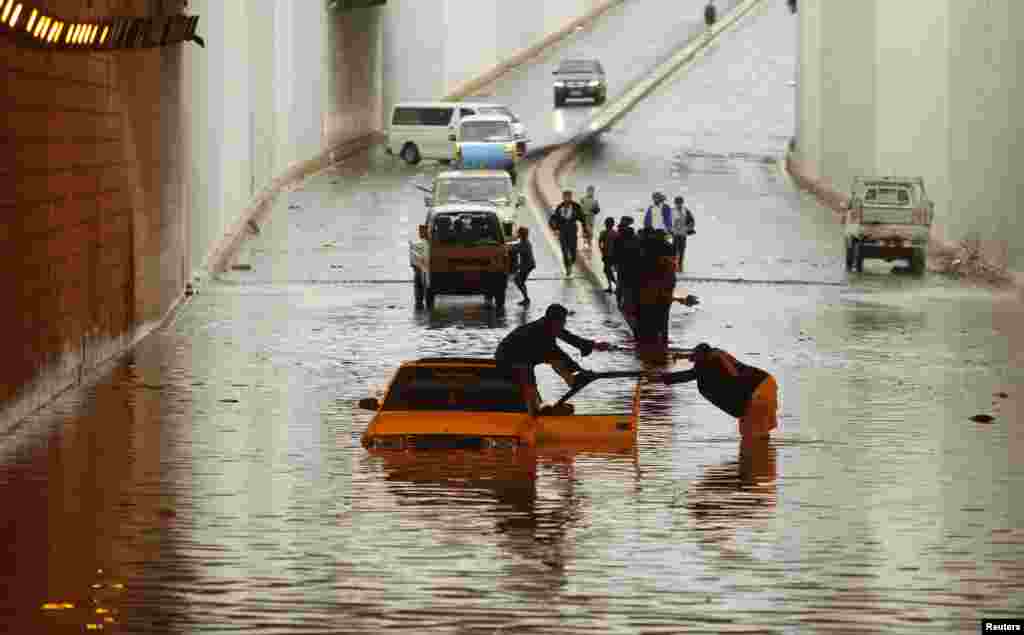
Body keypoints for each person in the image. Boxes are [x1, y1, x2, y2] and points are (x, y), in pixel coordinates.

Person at [495, 304, 611, 415]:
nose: (564, 324)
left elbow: (571, 339)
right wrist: (580, 370)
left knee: (555, 360)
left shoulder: (550, 325)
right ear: (555, 321)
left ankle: (573, 380)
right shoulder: (540, 333)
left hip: (525, 356)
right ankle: (534, 412)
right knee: (530, 372)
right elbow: (559, 353)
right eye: (563, 321)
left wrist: (594, 345)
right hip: (508, 358)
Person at [660, 343, 779, 440]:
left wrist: (656, 377)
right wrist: (681, 356)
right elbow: (693, 358)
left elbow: (687, 375)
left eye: (696, 360)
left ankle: (756, 464)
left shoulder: (709, 365)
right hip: (766, 383)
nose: (695, 364)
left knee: (751, 435)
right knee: (758, 432)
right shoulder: (717, 354)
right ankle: (762, 460)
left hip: (757, 391)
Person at [550, 190, 584, 276]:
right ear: (563, 197)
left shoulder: (576, 207)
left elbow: (582, 218)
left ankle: (571, 263)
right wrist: (555, 228)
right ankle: (568, 268)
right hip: (562, 232)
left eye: (568, 197)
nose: (566, 199)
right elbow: (553, 219)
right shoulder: (559, 207)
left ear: (571, 197)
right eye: (565, 197)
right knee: (564, 251)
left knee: (573, 252)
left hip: (572, 231)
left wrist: (586, 230)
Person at [510, 226, 536, 306]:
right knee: (520, 281)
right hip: (527, 265)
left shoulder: (525, 243)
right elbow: (516, 246)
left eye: (519, 233)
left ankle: (526, 299)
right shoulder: (524, 242)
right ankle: (526, 298)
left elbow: (516, 249)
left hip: (527, 265)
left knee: (518, 280)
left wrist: (509, 248)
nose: (518, 234)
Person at [671, 195, 696, 271]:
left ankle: (680, 265)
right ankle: (674, 266)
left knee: (681, 250)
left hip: (682, 233)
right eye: (677, 203)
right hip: (675, 234)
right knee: (674, 250)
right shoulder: (672, 211)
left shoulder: (686, 211)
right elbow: (667, 222)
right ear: (675, 203)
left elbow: (691, 221)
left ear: (682, 203)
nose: (678, 204)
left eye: (680, 203)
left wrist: (688, 228)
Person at [597, 217, 618, 294]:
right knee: (610, 270)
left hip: (607, 255)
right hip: (613, 255)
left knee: (607, 270)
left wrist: (602, 250)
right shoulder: (616, 233)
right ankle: (614, 286)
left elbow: (599, 243)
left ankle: (614, 286)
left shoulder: (604, 233)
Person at [579, 185, 601, 250]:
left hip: (591, 219)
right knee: (585, 232)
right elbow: (580, 208)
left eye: (592, 191)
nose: (591, 193)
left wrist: (594, 210)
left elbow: (597, 210)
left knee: (590, 233)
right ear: (587, 191)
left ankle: (589, 244)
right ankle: (585, 244)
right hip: (584, 219)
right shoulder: (582, 199)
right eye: (589, 191)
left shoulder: (595, 201)